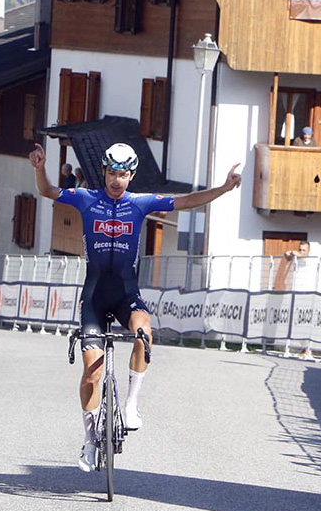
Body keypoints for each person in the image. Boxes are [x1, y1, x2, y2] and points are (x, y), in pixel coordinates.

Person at [29, 141, 241, 472]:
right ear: (104, 172)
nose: (117, 181)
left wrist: (225, 188)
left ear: (131, 175)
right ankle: (89, 441)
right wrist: (40, 168)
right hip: (95, 296)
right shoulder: (86, 199)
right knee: (91, 372)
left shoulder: (140, 203)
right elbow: (47, 191)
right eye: (112, 174)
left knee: (144, 332)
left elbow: (186, 201)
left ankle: (131, 404)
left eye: (123, 175)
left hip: (126, 293)